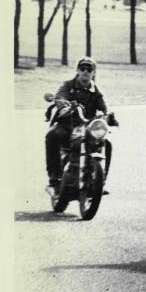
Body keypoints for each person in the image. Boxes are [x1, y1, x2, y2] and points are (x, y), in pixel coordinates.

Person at [45, 57, 116, 195]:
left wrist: (106, 114)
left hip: (87, 127)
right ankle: (54, 179)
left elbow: (103, 107)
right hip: (67, 125)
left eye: (89, 69)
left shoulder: (96, 91)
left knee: (106, 143)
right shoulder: (68, 85)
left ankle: (99, 181)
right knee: (52, 135)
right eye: (82, 68)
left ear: (94, 73)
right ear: (77, 70)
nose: (85, 72)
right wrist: (63, 103)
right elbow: (60, 96)